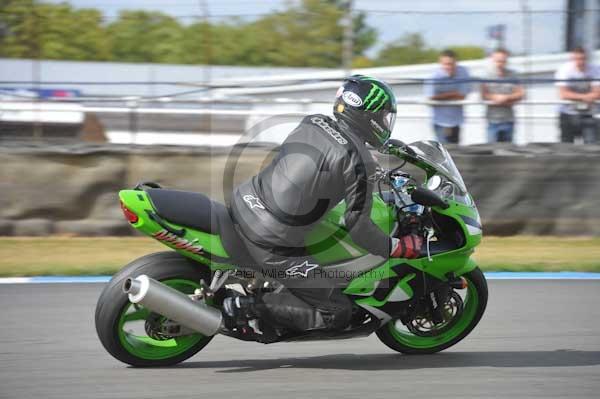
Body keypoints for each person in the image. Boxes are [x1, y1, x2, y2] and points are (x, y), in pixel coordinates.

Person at [226, 75, 424, 333]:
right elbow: (358, 229)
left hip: (245, 201)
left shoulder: (313, 122)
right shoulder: (360, 161)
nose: (386, 124)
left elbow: (318, 168)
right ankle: (246, 307)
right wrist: (396, 247)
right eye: (384, 116)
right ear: (369, 115)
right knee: (337, 312)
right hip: (272, 242)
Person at [424, 49, 472, 144]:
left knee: (455, 152)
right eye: (446, 64)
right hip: (440, 122)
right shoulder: (434, 76)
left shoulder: (463, 72)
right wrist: (453, 94)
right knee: (443, 153)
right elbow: (430, 98)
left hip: (456, 121)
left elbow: (462, 96)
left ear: (456, 63)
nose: (449, 67)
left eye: (451, 64)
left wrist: (440, 96)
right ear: (440, 63)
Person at [555, 46, 600, 144]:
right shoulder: (564, 70)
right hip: (567, 113)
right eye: (578, 59)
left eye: (583, 58)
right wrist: (585, 97)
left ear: (587, 58)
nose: (581, 61)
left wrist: (578, 97)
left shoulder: (595, 69)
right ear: (572, 59)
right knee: (566, 146)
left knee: (591, 145)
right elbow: (563, 94)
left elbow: (598, 93)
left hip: (588, 113)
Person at [480, 48, 525, 143]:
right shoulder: (486, 75)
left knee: (508, 153)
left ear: (507, 60)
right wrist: (497, 98)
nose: (500, 63)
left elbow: (521, 94)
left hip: (509, 120)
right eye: (498, 61)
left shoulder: (513, 75)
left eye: (503, 61)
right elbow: (483, 95)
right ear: (493, 60)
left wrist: (505, 98)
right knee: (491, 152)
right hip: (492, 120)